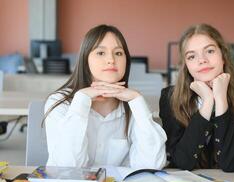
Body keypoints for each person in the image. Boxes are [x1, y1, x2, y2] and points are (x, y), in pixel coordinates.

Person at [44, 24, 166, 169]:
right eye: (101, 53)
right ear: (85, 59)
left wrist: (138, 101)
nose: (111, 60)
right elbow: (67, 168)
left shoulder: (133, 106)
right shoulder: (60, 103)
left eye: (118, 53)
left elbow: (152, 165)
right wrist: (81, 101)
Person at [159, 24, 234, 172]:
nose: (202, 60)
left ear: (223, 56)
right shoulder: (169, 98)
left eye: (210, 51)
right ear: (186, 65)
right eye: (192, 56)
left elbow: (231, 164)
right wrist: (207, 102)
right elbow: (182, 163)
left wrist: (220, 100)